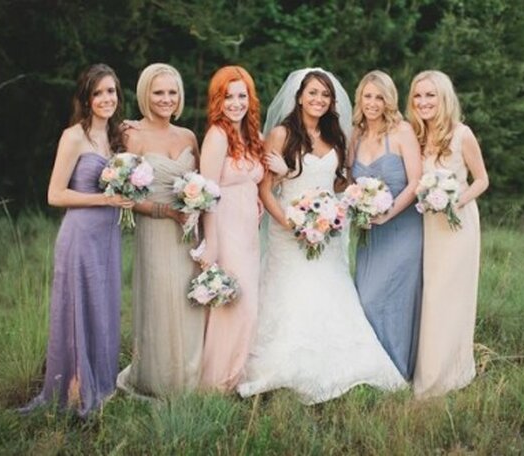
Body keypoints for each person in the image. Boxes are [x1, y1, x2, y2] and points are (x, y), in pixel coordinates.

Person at [237, 68, 406, 404]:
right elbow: (266, 191)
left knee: (330, 293)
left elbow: (337, 183)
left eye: (325, 95)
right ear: (299, 96)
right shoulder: (282, 134)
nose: (319, 100)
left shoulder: (335, 137)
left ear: (332, 102)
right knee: (292, 295)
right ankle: (282, 370)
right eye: (312, 93)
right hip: (289, 232)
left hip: (326, 231)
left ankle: (338, 366)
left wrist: (357, 200)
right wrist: (290, 222)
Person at [20, 64, 133, 417]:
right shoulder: (73, 136)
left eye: (111, 91)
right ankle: (72, 388)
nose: (106, 99)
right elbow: (55, 194)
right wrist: (105, 199)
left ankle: (101, 382)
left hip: (108, 236)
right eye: (98, 93)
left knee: (103, 306)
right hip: (81, 235)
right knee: (77, 307)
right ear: (85, 98)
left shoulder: (116, 139)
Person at [116, 63, 204, 397]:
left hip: (188, 233)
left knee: (188, 299)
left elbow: (201, 183)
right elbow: (122, 195)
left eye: (172, 92)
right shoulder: (131, 134)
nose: (166, 99)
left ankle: (190, 374)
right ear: (145, 94)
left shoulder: (188, 137)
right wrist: (166, 211)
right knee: (159, 300)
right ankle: (159, 378)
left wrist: (198, 208)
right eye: (158, 92)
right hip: (154, 229)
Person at [407, 70, 489, 398]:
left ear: (444, 99)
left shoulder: (461, 134)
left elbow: (482, 179)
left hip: (456, 224)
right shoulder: (413, 134)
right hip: (426, 224)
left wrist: (455, 201)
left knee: (447, 297)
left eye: (431, 96)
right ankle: (430, 369)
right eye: (417, 96)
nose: (424, 102)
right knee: (428, 297)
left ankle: (440, 380)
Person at [349, 70, 423, 381]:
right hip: (370, 232)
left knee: (390, 298)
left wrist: (388, 212)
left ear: (389, 100)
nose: (373, 103)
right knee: (364, 299)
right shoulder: (355, 134)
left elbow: (416, 181)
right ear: (360, 99)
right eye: (367, 96)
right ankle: (371, 372)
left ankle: (395, 372)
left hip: (403, 227)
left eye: (380, 97)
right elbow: (346, 179)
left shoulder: (402, 131)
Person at [198, 66, 264, 392]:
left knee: (248, 306)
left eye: (242, 95)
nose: (236, 103)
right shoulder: (218, 135)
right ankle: (217, 382)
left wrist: (257, 199)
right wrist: (210, 243)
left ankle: (238, 375)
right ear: (218, 100)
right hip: (225, 230)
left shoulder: (248, 134)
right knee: (236, 304)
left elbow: (251, 180)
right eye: (229, 96)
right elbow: (207, 195)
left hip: (249, 232)